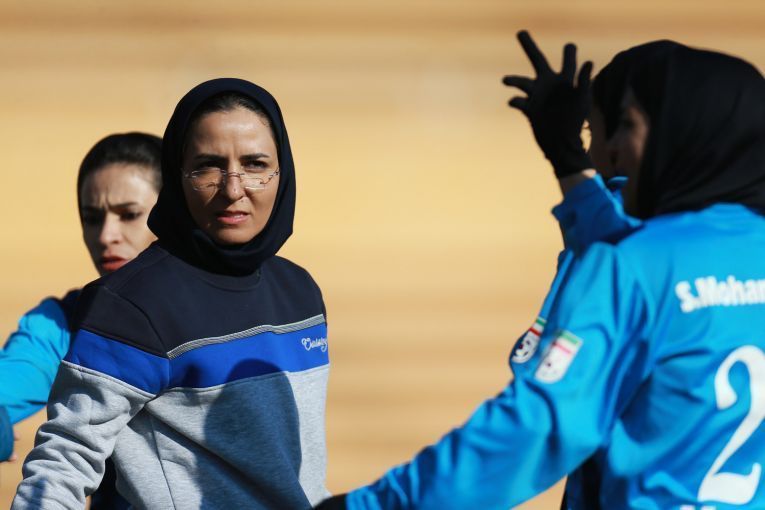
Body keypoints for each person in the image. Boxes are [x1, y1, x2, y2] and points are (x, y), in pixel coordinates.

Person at [317, 32, 765, 509]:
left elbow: (540, 425)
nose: (612, 151)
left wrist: (374, 506)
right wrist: (568, 158)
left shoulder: (633, 268)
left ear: (682, 136)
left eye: (625, 126)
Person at [12, 78, 330, 510]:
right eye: (208, 166)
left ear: (284, 171)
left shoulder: (300, 292)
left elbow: (300, 474)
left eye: (255, 164)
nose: (233, 188)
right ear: (178, 177)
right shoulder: (130, 306)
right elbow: (61, 467)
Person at [0, 132, 162, 508]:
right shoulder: (66, 323)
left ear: (173, 217)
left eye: (129, 215)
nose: (106, 235)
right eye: (92, 218)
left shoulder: (245, 310)